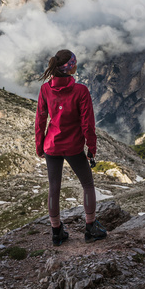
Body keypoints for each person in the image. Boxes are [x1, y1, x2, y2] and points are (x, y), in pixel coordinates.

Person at [35, 49, 107, 246]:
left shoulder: (45, 89)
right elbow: (87, 124)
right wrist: (91, 148)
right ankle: (91, 227)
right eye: (75, 62)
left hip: (51, 145)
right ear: (71, 67)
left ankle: (56, 231)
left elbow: (40, 120)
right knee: (88, 185)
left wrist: (39, 146)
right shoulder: (80, 91)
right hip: (74, 146)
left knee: (53, 188)